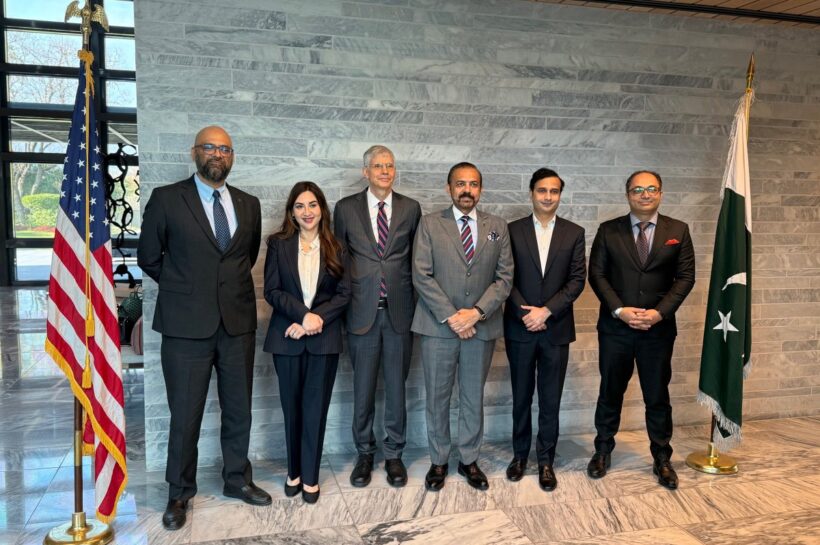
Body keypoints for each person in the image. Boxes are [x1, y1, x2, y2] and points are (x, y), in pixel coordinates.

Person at [138, 126, 270, 531]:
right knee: (185, 414)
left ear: (233, 156)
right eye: (210, 147)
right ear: (194, 152)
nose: (218, 154)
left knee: (239, 408)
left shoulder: (248, 204)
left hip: (237, 324)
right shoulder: (166, 198)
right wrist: (186, 288)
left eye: (225, 148)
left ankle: (237, 479)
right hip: (185, 327)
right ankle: (179, 492)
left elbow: (245, 257)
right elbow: (148, 256)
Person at [586, 170, 695, 490]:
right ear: (628, 194)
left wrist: (659, 313)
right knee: (610, 392)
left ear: (660, 193)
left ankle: (662, 457)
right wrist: (620, 310)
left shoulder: (678, 230)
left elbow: (686, 277)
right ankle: (602, 451)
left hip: (657, 330)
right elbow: (597, 275)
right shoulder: (608, 230)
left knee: (657, 395)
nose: (645, 194)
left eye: (651, 189)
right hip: (616, 329)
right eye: (637, 190)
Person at [411, 162, 513, 491]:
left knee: (472, 397)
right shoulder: (429, 224)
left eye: (473, 184)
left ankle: (469, 460)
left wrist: (476, 313)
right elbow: (421, 274)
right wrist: (453, 316)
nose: (467, 190)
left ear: (480, 189)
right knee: (437, 397)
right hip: (438, 327)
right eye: (460, 184)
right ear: (449, 188)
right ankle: (439, 460)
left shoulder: (497, 227)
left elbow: (504, 278)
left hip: (480, 328)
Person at [334, 146, 422, 488]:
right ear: (365, 171)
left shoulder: (411, 208)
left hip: (399, 312)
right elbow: (338, 260)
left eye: (390, 165)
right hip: (361, 313)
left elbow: (417, 260)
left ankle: (394, 454)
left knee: (397, 388)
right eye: (378, 166)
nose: (385, 171)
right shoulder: (345, 209)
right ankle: (365, 453)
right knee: (363, 389)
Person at [263, 181, 351, 504]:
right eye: (300, 206)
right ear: (292, 212)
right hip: (286, 338)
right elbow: (272, 291)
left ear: (322, 209)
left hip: (323, 340)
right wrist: (303, 316)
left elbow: (345, 293)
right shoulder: (278, 244)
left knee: (316, 410)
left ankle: (310, 476)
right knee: (292, 409)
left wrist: (315, 320)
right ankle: (294, 473)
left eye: (312, 205)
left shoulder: (337, 247)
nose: (307, 211)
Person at [503, 168, 586, 491]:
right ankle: (519, 456)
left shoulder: (574, 232)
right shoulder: (512, 230)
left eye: (554, 191)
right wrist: (526, 312)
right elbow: (504, 276)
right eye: (542, 190)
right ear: (531, 193)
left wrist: (547, 311)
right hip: (520, 326)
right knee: (521, 397)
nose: (548, 196)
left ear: (560, 195)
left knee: (550, 399)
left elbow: (577, 280)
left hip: (556, 329)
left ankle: (546, 460)